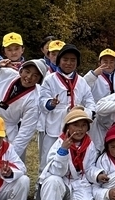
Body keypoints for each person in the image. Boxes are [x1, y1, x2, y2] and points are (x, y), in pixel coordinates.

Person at [38, 107, 99, 200]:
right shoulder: (59, 144)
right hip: (61, 182)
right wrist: (63, 151)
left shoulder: (89, 144)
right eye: (75, 125)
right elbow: (56, 171)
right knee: (52, 181)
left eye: (83, 125)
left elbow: (89, 168)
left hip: (79, 183)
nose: (80, 129)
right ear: (67, 127)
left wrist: (98, 174)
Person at [0, 57, 46, 160]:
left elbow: (26, 131)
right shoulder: (6, 74)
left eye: (35, 75)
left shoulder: (34, 99)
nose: (29, 77)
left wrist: (11, 157)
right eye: (27, 72)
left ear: (39, 80)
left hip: (6, 131)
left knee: (0, 160)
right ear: (21, 70)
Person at [38, 43, 96, 171]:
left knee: (71, 158)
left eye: (73, 60)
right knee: (48, 157)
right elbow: (41, 100)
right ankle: (44, 181)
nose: (69, 63)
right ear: (59, 61)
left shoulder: (81, 81)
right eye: (65, 59)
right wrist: (50, 103)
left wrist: (86, 113)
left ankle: (69, 179)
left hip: (75, 126)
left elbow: (90, 101)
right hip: (55, 126)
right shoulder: (50, 79)